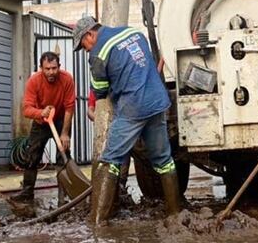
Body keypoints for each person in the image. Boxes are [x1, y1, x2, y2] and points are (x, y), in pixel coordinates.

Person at [74, 16, 181, 225]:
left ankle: (98, 222)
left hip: (133, 107)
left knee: (110, 160)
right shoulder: (133, 32)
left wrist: (95, 107)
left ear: (90, 34)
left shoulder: (98, 54)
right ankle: (175, 213)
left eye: (83, 45)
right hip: (158, 102)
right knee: (163, 160)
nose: (85, 49)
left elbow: (101, 90)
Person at [17, 51, 76, 201]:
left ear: (59, 67)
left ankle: (64, 195)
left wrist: (65, 133)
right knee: (32, 157)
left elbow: (70, 107)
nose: (51, 72)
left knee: (63, 157)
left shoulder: (67, 79)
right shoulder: (34, 81)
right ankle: (27, 192)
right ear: (41, 68)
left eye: (54, 68)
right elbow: (26, 109)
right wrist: (41, 112)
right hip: (41, 122)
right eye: (47, 69)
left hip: (61, 121)